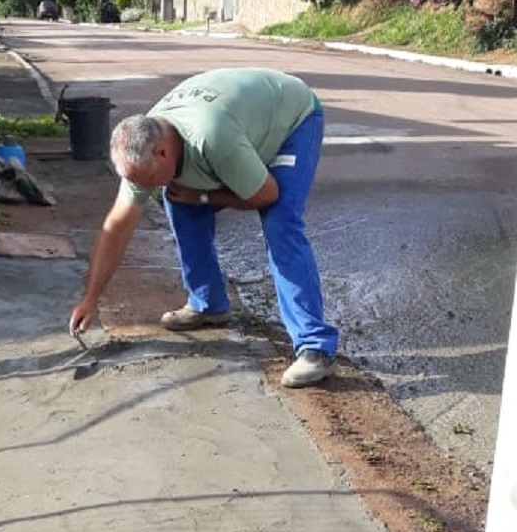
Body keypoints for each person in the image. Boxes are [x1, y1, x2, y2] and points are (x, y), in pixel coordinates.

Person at [67, 68, 340, 389]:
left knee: (280, 219)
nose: (144, 188)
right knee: (178, 198)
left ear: (163, 152)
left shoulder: (211, 137)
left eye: (146, 180)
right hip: (240, 121)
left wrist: (205, 195)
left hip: (291, 118)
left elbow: (267, 194)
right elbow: (117, 226)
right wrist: (90, 298)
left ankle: (315, 347)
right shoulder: (146, 146)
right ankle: (208, 303)